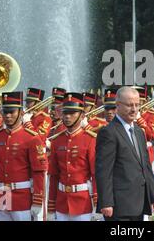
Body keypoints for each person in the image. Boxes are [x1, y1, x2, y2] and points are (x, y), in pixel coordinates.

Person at [95, 86, 154, 221]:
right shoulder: (109, 132)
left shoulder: (139, 132)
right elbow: (104, 170)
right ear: (117, 105)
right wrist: (106, 202)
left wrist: (153, 196)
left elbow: (146, 167)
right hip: (119, 205)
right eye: (129, 105)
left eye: (137, 105)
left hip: (139, 202)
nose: (134, 109)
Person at [0, 91, 48, 221]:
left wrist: (38, 200)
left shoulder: (31, 138)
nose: (8, 115)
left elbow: (38, 171)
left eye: (12, 112)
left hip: (22, 197)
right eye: (5, 112)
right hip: (1, 194)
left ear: (21, 113)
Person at [47, 93, 98, 221]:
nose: (67, 116)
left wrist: (97, 204)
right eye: (65, 113)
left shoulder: (90, 139)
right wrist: (51, 206)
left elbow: (95, 174)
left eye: (72, 113)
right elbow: (54, 175)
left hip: (83, 201)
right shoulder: (57, 140)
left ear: (82, 115)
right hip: (61, 201)